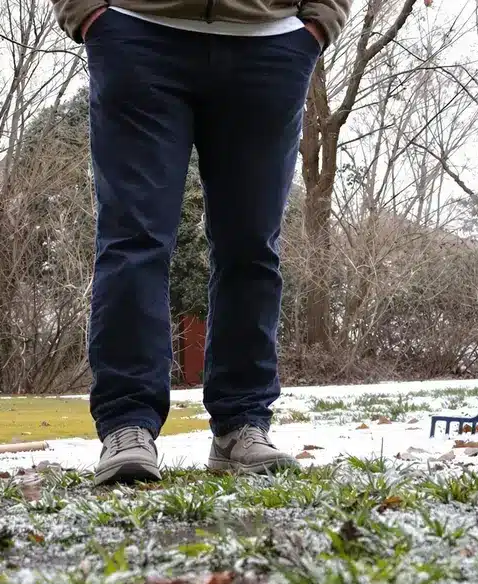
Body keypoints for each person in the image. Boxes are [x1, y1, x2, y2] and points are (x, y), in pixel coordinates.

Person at [51, 0, 350, 486]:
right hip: (137, 31)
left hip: (271, 43)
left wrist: (317, 23)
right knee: (134, 239)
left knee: (252, 246)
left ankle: (242, 423)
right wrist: (87, 12)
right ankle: (127, 425)